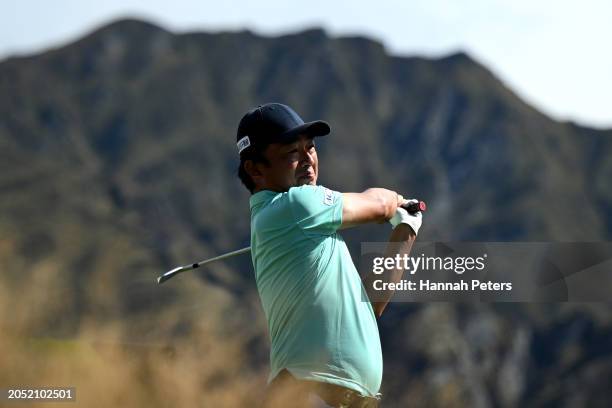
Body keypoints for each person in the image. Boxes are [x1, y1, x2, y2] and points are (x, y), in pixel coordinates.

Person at [236, 103, 422, 408]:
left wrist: (405, 231)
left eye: (310, 147)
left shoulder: (307, 225)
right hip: (307, 394)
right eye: (291, 153)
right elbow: (377, 205)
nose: (308, 158)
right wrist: (398, 200)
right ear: (256, 169)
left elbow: (368, 308)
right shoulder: (296, 206)